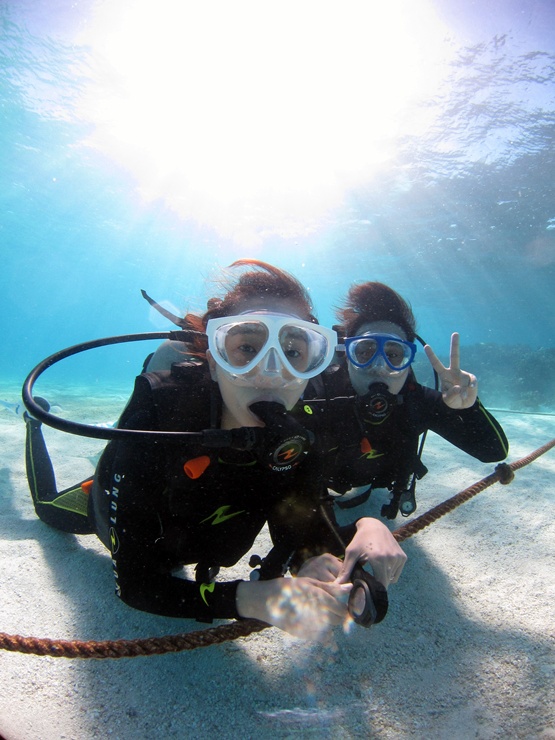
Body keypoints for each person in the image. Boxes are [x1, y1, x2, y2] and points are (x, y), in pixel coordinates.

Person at [24, 261, 406, 641]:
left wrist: (360, 530)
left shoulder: (299, 434)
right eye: (247, 348)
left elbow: (302, 526)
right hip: (114, 506)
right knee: (47, 511)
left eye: (292, 352)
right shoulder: (160, 412)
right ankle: (32, 422)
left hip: (193, 538)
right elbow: (135, 586)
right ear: (212, 360)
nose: (270, 373)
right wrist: (248, 599)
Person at [305, 281, 509, 517]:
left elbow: (493, 452)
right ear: (347, 355)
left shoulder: (417, 401)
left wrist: (467, 408)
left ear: (408, 361)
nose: (379, 366)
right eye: (364, 352)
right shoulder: (320, 397)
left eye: (393, 354)